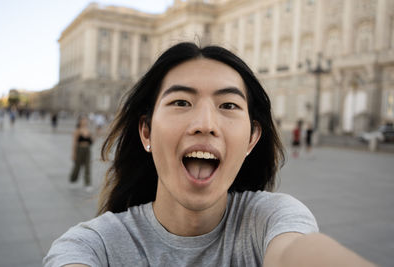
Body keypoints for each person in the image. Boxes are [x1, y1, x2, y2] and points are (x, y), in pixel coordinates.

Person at [44, 43, 374, 266]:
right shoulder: (90, 247)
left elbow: (296, 251)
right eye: (181, 102)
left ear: (251, 138)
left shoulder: (273, 220)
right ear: (146, 131)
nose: (205, 124)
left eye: (228, 105)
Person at [69, 115, 93, 192]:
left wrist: (97, 135)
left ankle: (87, 184)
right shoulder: (77, 131)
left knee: (87, 167)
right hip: (79, 149)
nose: (84, 121)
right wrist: (73, 153)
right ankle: (73, 180)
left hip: (87, 150)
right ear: (80, 121)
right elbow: (74, 143)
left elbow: (91, 142)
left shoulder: (88, 131)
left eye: (86, 120)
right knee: (77, 166)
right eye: (83, 120)